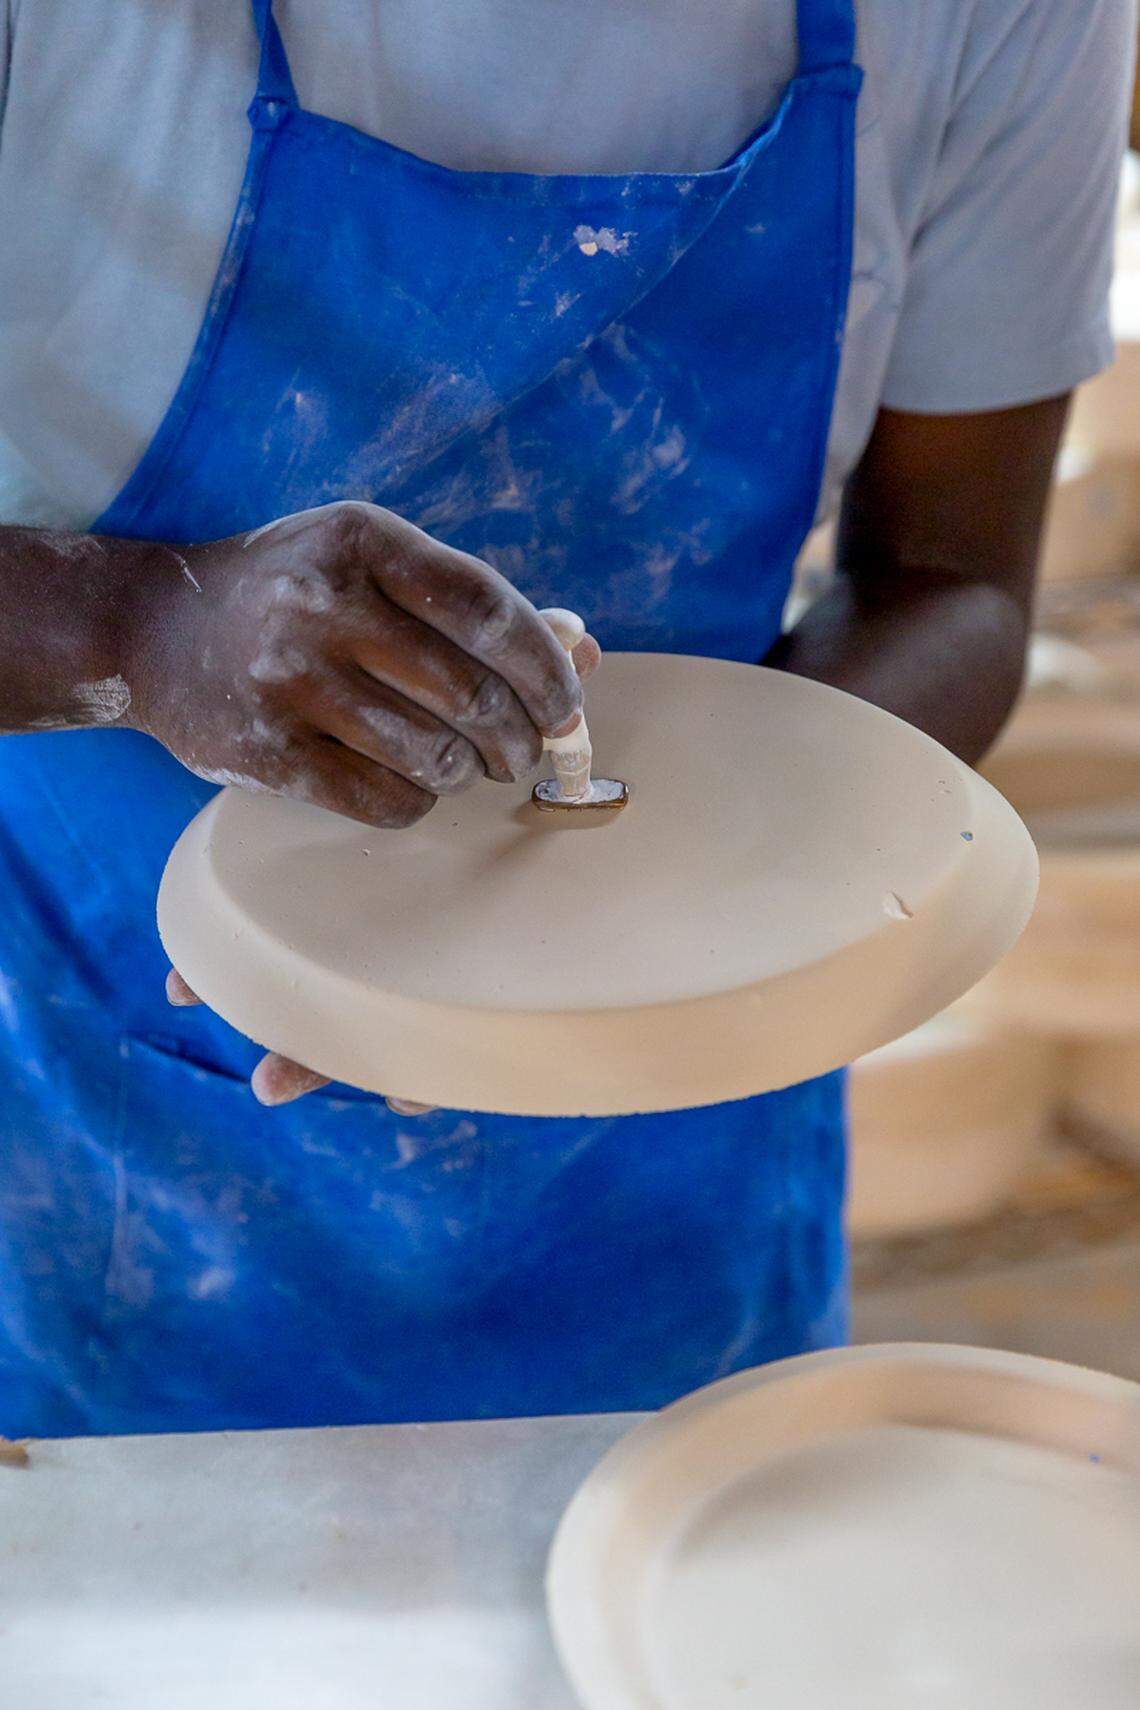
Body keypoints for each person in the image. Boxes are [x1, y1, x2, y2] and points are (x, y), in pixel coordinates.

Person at [0, 0, 1133, 1438]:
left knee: (658, 1615)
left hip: (683, 1126)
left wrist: (666, 903)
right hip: (118, 1133)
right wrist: (137, 627)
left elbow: (957, 579)